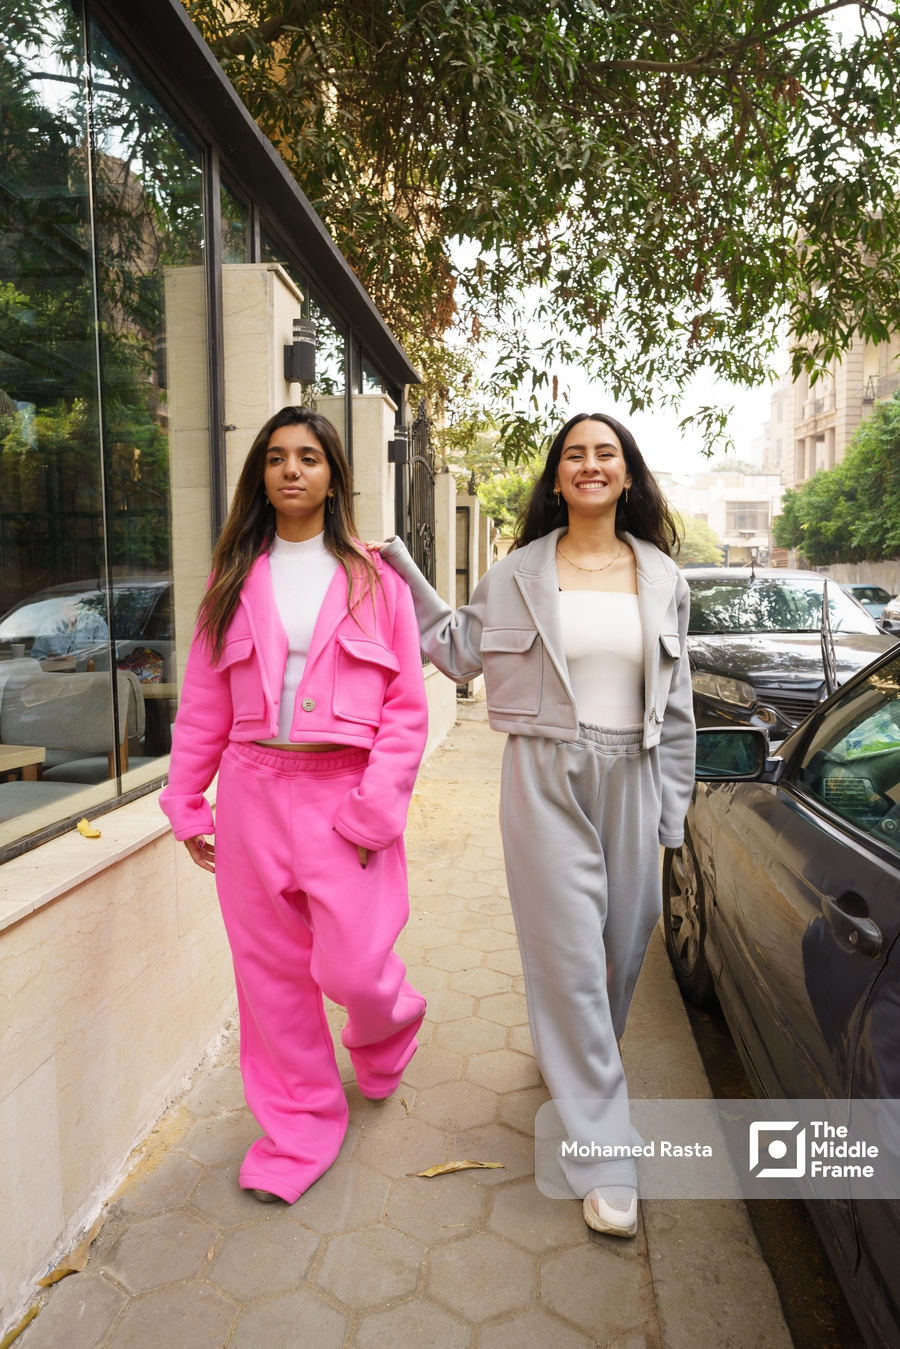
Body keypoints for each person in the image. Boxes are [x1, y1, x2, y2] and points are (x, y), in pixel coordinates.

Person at [373, 412, 695, 1237]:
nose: (590, 465)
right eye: (575, 455)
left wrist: (673, 809)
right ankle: (604, 1154)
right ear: (556, 477)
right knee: (570, 960)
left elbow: (680, 702)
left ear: (628, 475)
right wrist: (395, 571)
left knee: (625, 944)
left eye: (606, 454)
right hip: (545, 771)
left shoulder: (662, 576)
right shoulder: (516, 572)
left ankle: (574, 1061)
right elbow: (454, 648)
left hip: (632, 770)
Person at [160, 405, 428, 1205]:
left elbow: (407, 708)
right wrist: (186, 799)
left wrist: (378, 809)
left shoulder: (378, 581)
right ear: (261, 476)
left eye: (308, 456)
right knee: (272, 978)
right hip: (250, 793)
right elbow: (204, 701)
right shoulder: (234, 578)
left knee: (353, 965)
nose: (290, 469)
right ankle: (302, 1123)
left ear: (334, 475)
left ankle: (390, 1018)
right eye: (276, 457)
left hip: (343, 795)